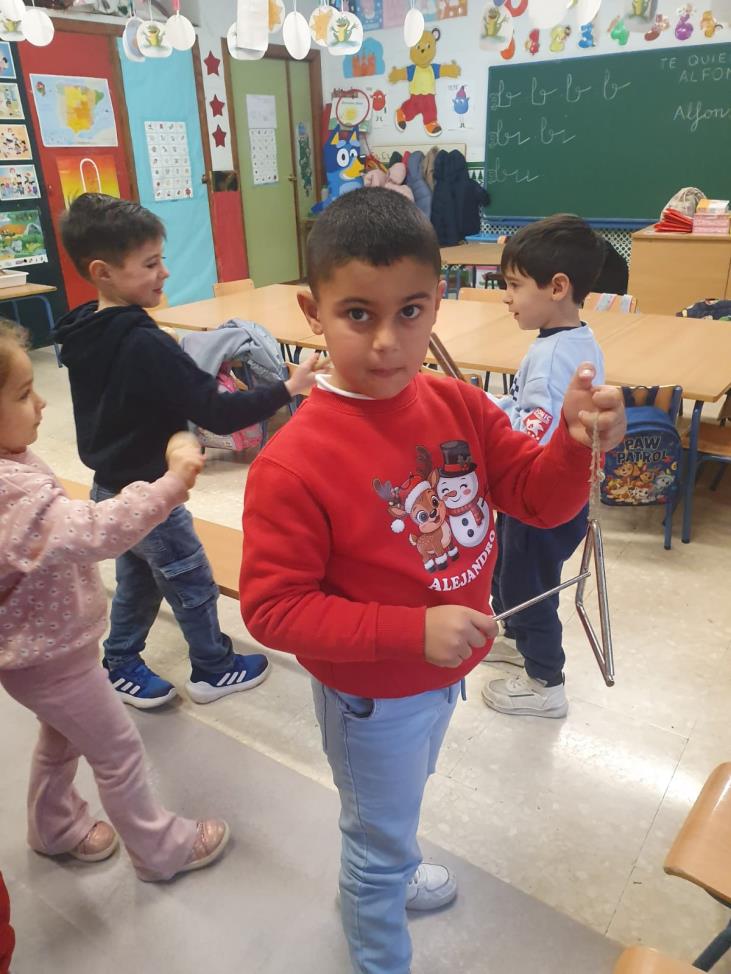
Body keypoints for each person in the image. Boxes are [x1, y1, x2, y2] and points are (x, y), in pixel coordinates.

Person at [239, 189, 625, 974]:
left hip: (440, 671)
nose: (388, 341)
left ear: (437, 303)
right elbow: (274, 610)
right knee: (373, 833)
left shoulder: (458, 404)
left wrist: (574, 444)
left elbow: (534, 498)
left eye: (409, 311)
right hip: (371, 694)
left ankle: (394, 859)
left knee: (401, 796)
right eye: (357, 314)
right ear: (313, 313)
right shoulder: (292, 463)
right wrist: (411, 631)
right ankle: (379, 943)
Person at [55, 193, 325, 709]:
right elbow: (216, 412)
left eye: (161, 259)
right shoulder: (145, 342)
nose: (165, 273)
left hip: (110, 488)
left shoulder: (85, 329)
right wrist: (289, 388)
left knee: (140, 578)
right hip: (152, 492)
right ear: (103, 272)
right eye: (150, 264)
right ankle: (213, 668)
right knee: (192, 579)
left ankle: (119, 662)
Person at [0, 321, 229, 881]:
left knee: (62, 740)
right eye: (24, 394)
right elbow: (94, 531)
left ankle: (53, 826)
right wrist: (171, 483)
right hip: (49, 657)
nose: (42, 404)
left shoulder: (12, 462)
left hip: (41, 651)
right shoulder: (10, 488)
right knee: (119, 751)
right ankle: (161, 849)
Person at [482, 214, 606, 720]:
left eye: (514, 285)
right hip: (541, 494)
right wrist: (495, 407)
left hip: (540, 499)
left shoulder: (556, 358)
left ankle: (544, 682)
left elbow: (536, 434)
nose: (506, 297)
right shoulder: (573, 339)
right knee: (510, 573)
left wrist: (491, 421)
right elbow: (531, 410)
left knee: (527, 588)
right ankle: (515, 640)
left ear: (557, 287)